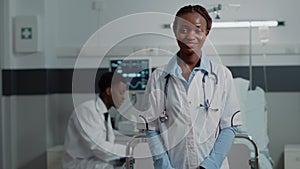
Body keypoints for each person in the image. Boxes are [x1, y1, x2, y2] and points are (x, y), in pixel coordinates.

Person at [139, 4, 242, 169]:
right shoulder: (158, 77)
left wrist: (209, 165)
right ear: (174, 31)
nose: (190, 36)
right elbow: (151, 129)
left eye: (198, 30)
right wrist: (164, 166)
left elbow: (228, 128)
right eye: (184, 29)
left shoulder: (222, 75)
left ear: (206, 32)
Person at [62, 72, 127, 169]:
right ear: (109, 91)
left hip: (95, 161)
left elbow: (107, 139)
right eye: (121, 92)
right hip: (80, 164)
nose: (123, 97)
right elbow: (98, 146)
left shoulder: (103, 112)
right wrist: (130, 150)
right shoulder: (86, 111)